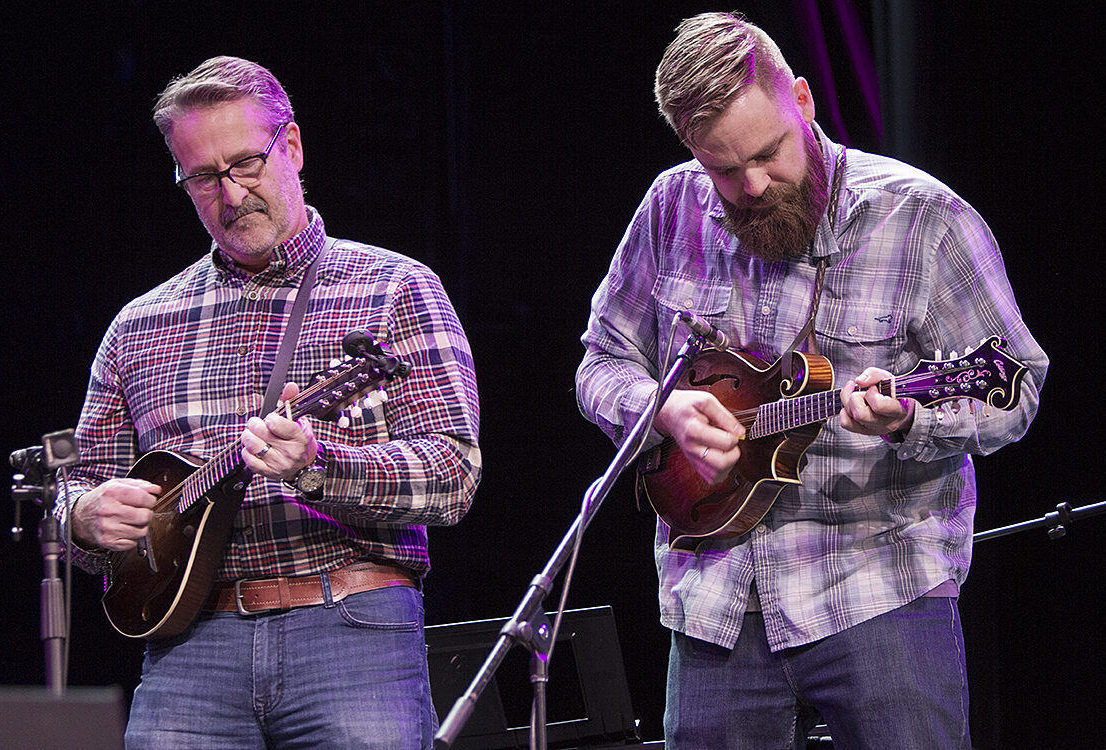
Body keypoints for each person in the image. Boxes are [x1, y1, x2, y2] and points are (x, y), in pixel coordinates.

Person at [575, 12, 1046, 750]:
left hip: (879, 587)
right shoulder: (670, 207)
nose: (752, 184)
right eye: (722, 170)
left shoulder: (921, 216)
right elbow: (601, 362)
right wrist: (658, 412)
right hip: (715, 601)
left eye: (766, 153)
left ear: (801, 98)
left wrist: (907, 421)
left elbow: (1014, 387)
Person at [57, 56, 481, 749]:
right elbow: (77, 483)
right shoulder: (139, 324)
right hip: (188, 648)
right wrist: (84, 515)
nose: (230, 195)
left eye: (246, 164)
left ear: (291, 147)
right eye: (202, 177)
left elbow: (453, 476)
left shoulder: (396, 288)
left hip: (351, 626)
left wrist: (320, 463)